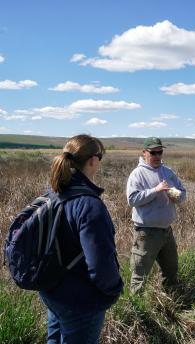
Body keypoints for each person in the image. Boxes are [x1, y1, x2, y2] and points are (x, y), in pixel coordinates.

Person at [39, 134, 123, 344]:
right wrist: (114, 290)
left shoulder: (53, 193)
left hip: (52, 290)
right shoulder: (89, 205)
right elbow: (100, 264)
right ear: (92, 160)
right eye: (100, 157)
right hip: (80, 301)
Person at [126, 137, 186, 295]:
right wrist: (155, 190)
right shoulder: (137, 174)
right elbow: (132, 199)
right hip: (146, 233)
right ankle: (137, 312)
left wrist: (177, 196)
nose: (157, 155)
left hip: (166, 231)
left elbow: (183, 193)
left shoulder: (168, 172)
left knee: (171, 270)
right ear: (144, 152)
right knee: (140, 275)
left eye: (160, 152)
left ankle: (171, 304)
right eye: (153, 152)